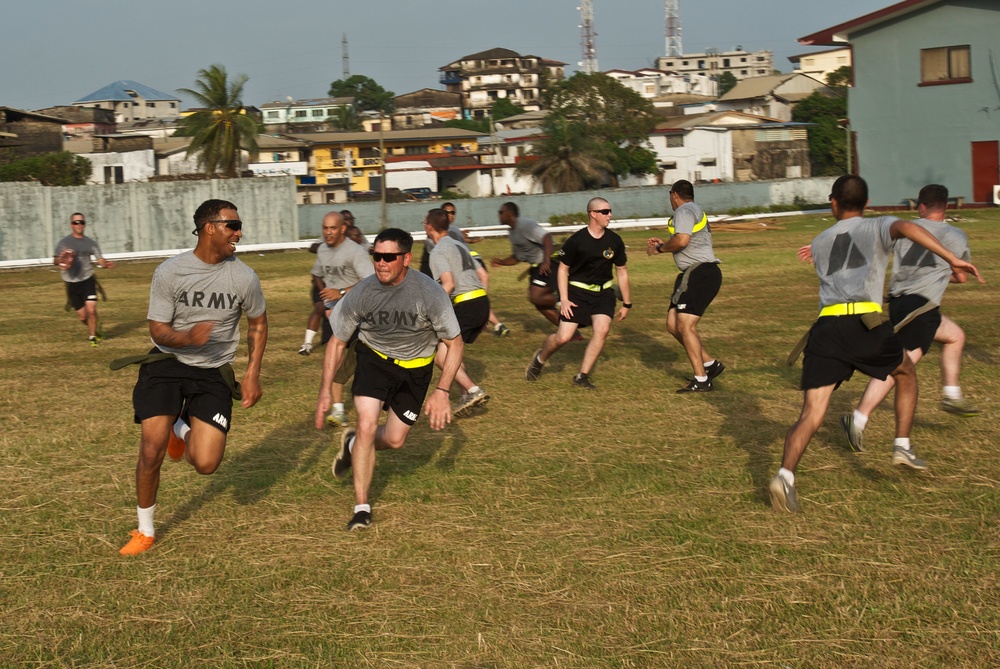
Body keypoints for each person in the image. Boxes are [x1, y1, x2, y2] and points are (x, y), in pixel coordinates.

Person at [769, 176, 981, 513]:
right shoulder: (880, 225)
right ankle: (902, 445)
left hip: (825, 327)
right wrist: (950, 258)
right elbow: (911, 229)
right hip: (865, 323)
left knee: (811, 412)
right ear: (866, 205)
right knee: (906, 373)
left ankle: (784, 475)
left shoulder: (821, 239)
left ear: (833, 202)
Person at [117, 199, 268, 554]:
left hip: (213, 372)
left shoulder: (244, 276)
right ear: (209, 227)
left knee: (206, 464)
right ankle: (145, 530)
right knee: (152, 449)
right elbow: (157, 329)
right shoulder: (171, 272)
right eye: (232, 225)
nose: (238, 232)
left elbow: (258, 324)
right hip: (167, 364)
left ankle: (180, 426)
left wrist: (252, 374)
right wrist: (186, 337)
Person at [314, 228, 464, 531]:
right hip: (374, 361)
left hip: (416, 369)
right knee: (367, 424)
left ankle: (353, 443)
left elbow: (455, 342)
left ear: (406, 258)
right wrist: (325, 392)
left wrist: (443, 390)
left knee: (394, 440)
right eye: (376, 256)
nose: (380, 263)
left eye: (388, 257)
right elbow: (337, 342)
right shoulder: (363, 291)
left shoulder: (429, 293)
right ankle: (361, 507)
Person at [840, 184, 981, 452]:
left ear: (921, 206)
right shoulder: (955, 235)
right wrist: (940, 275)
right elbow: (961, 276)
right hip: (921, 306)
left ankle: (951, 395)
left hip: (902, 302)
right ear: (946, 207)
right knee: (900, 367)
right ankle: (857, 419)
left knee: (955, 336)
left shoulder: (905, 229)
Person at [524, 197, 631, 390]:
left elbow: (621, 270)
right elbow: (563, 270)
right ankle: (540, 359)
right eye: (605, 212)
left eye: (610, 211)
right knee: (563, 337)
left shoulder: (614, 240)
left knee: (602, 330)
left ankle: (582, 376)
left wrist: (627, 303)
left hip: (603, 293)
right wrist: (563, 300)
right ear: (593, 214)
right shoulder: (577, 240)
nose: (610, 215)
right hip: (577, 294)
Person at [647, 180, 725, 392]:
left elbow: (681, 241)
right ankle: (710, 364)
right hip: (693, 274)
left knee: (685, 325)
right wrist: (664, 244)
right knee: (673, 324)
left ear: (674, 194)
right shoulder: (693, 210)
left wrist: (661, 248)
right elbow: (684, 242)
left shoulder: (684, 210)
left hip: (700, 273)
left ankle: (701, 379)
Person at [299, 211, 375, 427]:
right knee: (336, 360)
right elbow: (318, 274)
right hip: (338, 315)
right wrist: (327, 301)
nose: (328, 232)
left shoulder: (355, 251)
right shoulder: (322, 249)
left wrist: (340, 292)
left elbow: (371, 283)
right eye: (325, 228)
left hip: (361, 313)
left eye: (332, 228)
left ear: (342, 228)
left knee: (368, 361)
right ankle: (338, 410)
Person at [424, 208, 491, 416]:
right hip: (480, 301)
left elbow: (448, 284)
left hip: (466, 304)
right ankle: (466, 396)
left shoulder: (437, 251)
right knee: (452, 350)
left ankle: (473, 390)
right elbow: (482, 274)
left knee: (440, 357)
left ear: (429, 226)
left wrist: (429, 310)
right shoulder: (459, 244)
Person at [442, 202, 510, 337]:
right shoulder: (454, 230)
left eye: (452, 212)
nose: (450, 215)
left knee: (468, 298)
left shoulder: (448, 231)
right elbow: (462, 242)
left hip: (469, 265)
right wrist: (471, 240)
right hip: (473, 262)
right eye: (447, 212)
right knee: (474, 298)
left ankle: (489, 323)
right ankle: (498, 325)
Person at [490, 202, 562, 328]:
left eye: (501, 212)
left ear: (510, 214)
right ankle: (571, 333)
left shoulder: (525, 225)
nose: (499, 215)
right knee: (540, 304)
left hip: (549, 263)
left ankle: (565, 299)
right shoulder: (512, 233)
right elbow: (517, 257)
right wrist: (502, 262)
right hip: (537, 267)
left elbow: (547, 237)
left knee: (536, 297)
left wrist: (546, 260)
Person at [53, 212, 116, 346]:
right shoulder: (64, 243)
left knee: (92, 311)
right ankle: (94, 328)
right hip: (72, 283)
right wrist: (62, 259)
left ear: (84, 225)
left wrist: (105, 264)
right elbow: (55, 260)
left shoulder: (90, 243)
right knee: (83, 316)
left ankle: (93, 338)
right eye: (76, 222)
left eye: (81, 222)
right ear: (71, 225)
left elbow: (99, 260)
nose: (79, 225)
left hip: (88, 279)